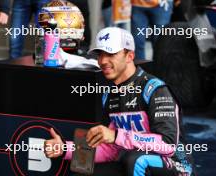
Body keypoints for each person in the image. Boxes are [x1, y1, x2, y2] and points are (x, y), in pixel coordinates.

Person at [44, 27, 194, 176]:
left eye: (110, 54)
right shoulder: (109, 94)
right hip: (133, 163)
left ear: (129, 56)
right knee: (84, 172)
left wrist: (117, 136)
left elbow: (168, 145)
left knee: (135, 160)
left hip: (176, 165)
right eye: (100, 54)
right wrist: (64, 148)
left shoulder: (155, 89)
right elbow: (108, 150)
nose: (102, 60)